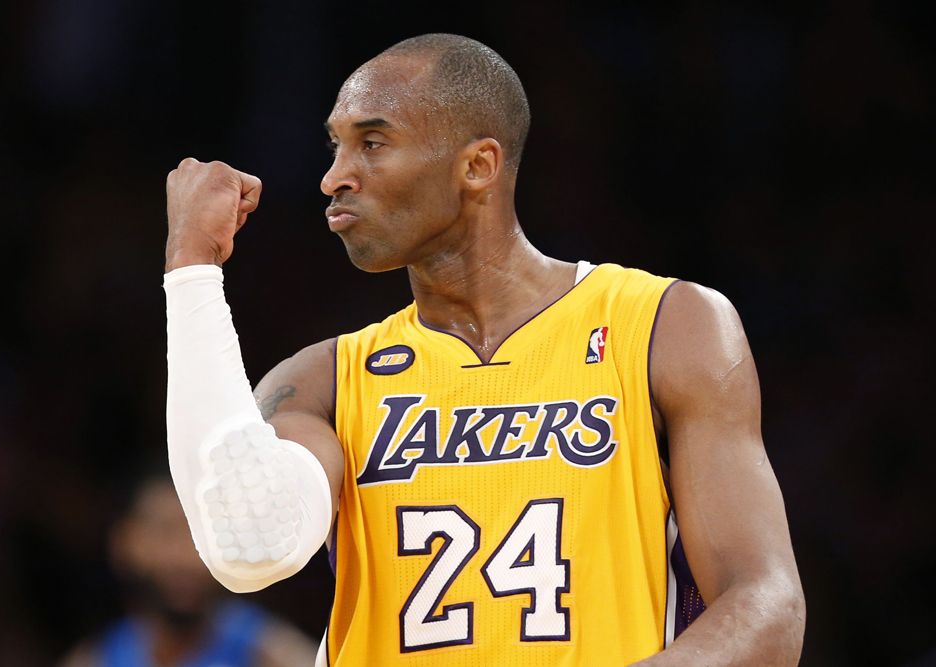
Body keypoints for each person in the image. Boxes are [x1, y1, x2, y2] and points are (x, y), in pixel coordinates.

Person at [162, 33, 805, 667]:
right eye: (336, 146)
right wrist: (192, 268)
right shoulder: (324, 381)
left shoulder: (665, 325)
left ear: (478, 166)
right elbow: (250, 546)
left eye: (372, 143)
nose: (334, 178)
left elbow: (767, 605)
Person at [59, 478, 317, 667]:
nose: (185, 556)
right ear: (126, 542)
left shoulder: (270, 651)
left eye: (201, 534)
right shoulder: (96, 659)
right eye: (166, 532)